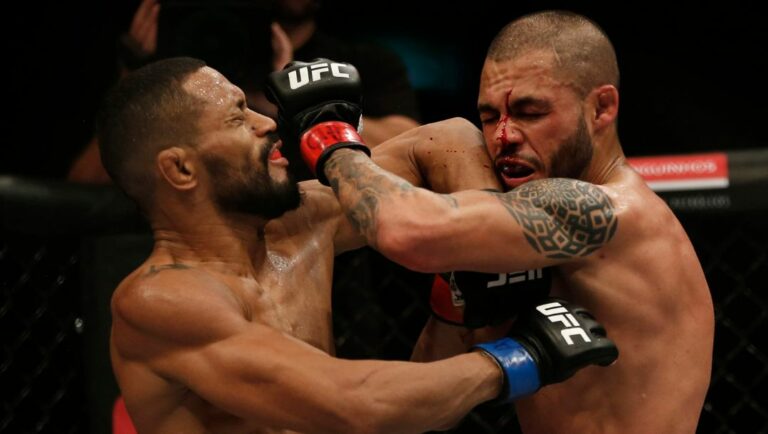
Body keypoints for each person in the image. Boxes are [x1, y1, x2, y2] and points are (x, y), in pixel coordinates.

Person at [102, 56, 617, 433]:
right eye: (238, 118)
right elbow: (354, 403)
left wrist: (478, 259)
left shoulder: (300, 224)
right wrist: (521, 357)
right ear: (180, 169)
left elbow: (444, 140)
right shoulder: (160, 301)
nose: (268, 122)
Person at [267, 10, 715, 434]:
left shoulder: (605, 212)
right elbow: (427, 408)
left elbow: (406, 232)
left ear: (601, 108)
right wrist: (457, 297)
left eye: (530, 113)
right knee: (448, 138)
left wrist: (328, 135)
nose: (504, 136)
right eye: (489, 116)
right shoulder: (528, 232)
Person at [67, 0, 420, 184]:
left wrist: (297, 104)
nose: (263, 126)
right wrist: (136, 81)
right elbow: (86, 184)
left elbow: (411, 147)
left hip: (336, 276)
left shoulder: (362, 62)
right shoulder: (170, 61)